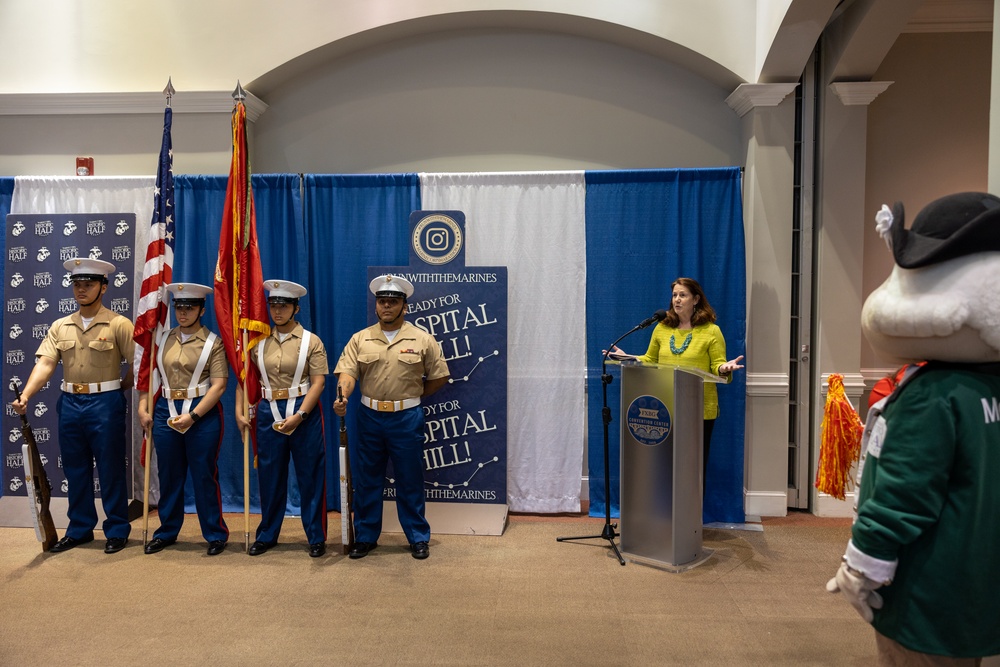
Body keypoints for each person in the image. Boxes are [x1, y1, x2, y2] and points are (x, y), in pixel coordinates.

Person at [826, 192, 1000, 663]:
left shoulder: (932, 395)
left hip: (925, 596)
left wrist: (860, 566)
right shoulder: (987, 386)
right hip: (977, 595)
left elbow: (903, 495)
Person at [11, 257, 134, 554]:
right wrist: (26, 394)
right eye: (77, 284)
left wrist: (119, 388)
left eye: (89, 284)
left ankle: (116, 529)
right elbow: (47, 363)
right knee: (76, 468)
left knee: (110, 467)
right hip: (69, 402)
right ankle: (80, 529)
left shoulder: (119, 324)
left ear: (103, 287)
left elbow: (139, 365)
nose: (81, 289)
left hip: (105, 402)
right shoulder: (60, 325)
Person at [333, 274, 450, 560]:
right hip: (369, 416)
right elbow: (348, 373)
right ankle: (366, 536)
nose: (386, 306)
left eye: (393, 302)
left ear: (404, 306)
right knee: (368, 478)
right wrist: (344, 395)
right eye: (382, 301)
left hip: (406, 417)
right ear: (376, 306)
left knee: (409, 478)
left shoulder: (422, 339)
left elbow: (439, 377)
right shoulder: (360, 339)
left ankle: (417, 537)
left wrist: (412, 395)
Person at [610, 277, 743, 483]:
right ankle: (665, 512)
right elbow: (650, 359)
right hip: (665, 408)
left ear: (696, 299)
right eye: (674, 295)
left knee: (694, 467)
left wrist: (724, 368)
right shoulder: (662, 328)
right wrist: (627, 357)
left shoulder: (711, 331)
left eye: (683, 295)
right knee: (666, 465)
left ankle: (691, 514)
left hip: (699, 409)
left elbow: (717, 364)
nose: (677, 300)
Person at [236, 280, 328, 557]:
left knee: (310, 476)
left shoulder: (312, 341)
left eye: (284, 305)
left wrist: (300, 415)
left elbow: (319, 383)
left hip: (304, 411)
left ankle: (315, 536)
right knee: (270, 476)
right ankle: (267, 534)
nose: (277, 311)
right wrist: (240, 410)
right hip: (268, 412)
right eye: (273, 305)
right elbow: (247, 379)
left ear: (296, 308)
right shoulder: (257, 342)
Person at [137, 283, 229, 556]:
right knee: (169, 475)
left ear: (202, 310)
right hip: (166, 410)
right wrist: (144, 406)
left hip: (202, 414)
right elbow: (148, 377)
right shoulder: (161, 338)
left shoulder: (213, 343)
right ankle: (166, 531)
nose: (183, 312)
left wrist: (193, 415)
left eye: (189, 307)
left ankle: (215, 533)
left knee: (203, 475)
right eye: (178, 306)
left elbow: (219, 385)